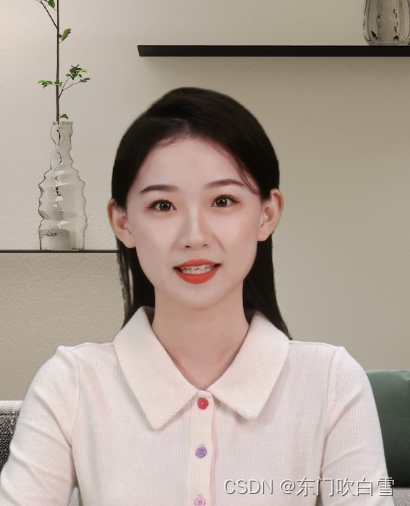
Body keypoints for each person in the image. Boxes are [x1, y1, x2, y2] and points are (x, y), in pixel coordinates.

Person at [0, 87, 394, 506]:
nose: (194, 236)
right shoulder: (71, 384)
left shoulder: (331, 382)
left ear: (267, 214)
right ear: (123, 222)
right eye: (163, 205)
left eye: (223, 201)